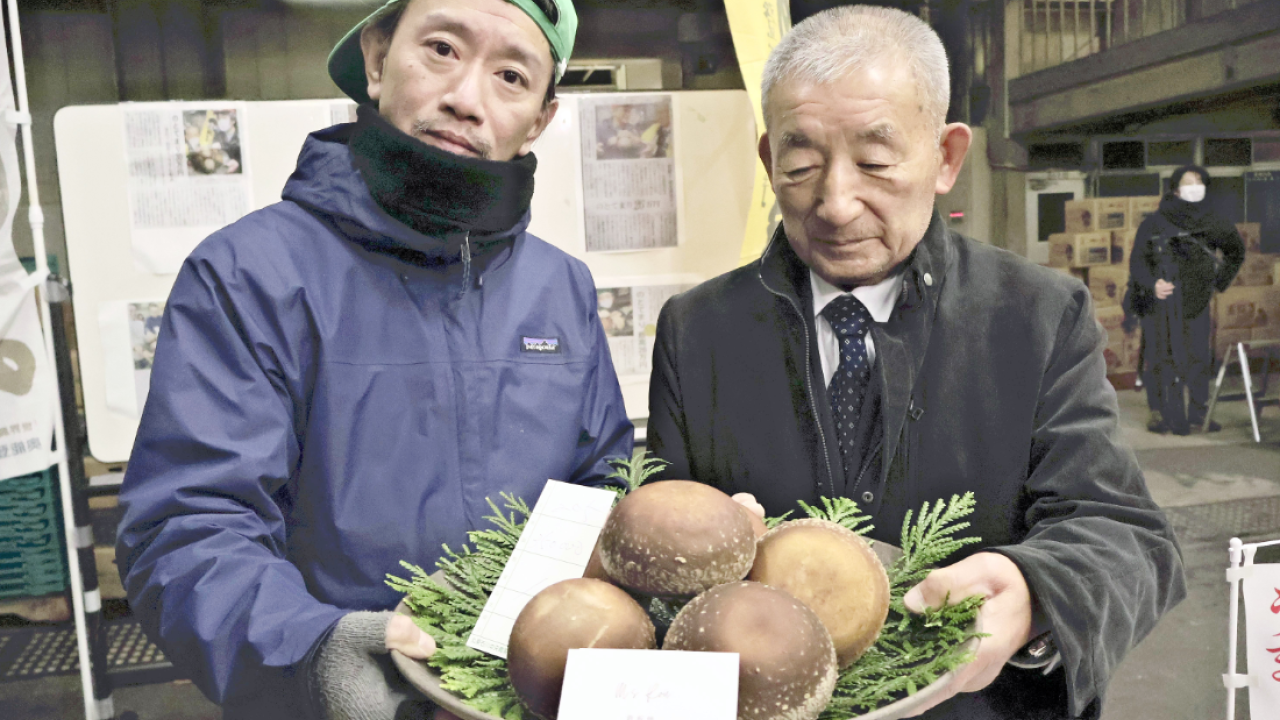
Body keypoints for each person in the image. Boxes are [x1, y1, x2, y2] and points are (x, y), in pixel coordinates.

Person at [646, 6, 1185, 719]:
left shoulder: (1038, 315)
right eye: (802, 163)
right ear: (768, 157)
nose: (836, 203)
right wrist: (693, 556)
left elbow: (1127, 534)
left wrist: (1034, 592)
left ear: (947, 157)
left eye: (875, 162)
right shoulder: (698, 330)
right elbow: (651, 547)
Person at [115, 1, 632, 718]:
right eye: (442, 49)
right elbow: (190, 523)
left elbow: (598, 488)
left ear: (540, 120)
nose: (466, 96)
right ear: (377, 58)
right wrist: (313, 647)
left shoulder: (560, 287)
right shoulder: (249, 274)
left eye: (511, 75)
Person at [1127, 165, 1244, 435]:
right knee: (1160, 358)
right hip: (1160, 303)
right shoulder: (1154, 222)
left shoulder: (1214, 220)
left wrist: (1217, 283)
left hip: (1196, 301)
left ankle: (1199, 412)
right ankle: (1159, 411)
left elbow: (1235, 252)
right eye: (1189, 183)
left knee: (1198, 357)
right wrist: (1152, 284)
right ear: (1176, 189)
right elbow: (1137, 262)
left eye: (1200, 183)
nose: (1195, 188)